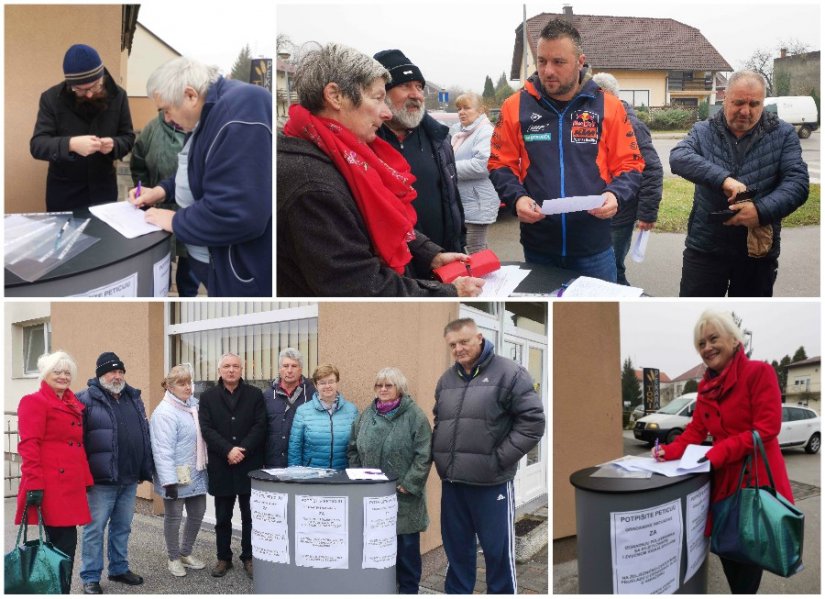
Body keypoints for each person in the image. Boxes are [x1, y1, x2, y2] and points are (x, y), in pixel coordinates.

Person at [278, 42, 484, 297]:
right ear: (335, 96)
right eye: (377, 98)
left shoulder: (345, 156)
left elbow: (385, 222)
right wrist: (447, 293)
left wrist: (430, 255)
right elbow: (359, 284)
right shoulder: (312, 185)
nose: (386, 113)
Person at [488, 19, 644, 282]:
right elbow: (499, 163)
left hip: (594, 247)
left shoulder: (609, 106)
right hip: (539, 245)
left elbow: (631, 164)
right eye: (541, 61)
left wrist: (616, 195)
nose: (548, 70)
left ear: (580, 61)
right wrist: (516, 199)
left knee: (595, 318)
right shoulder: (514, 106)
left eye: (558, 62)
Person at [653, 309, 794, 593]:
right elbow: (694, 432)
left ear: (733, 339)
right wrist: (668, 451)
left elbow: (767, 428)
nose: (707, 348)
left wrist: (719, 451)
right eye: (701, 344)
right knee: (728, 553)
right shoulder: (706, 388)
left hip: (756, 486)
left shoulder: (759, 373)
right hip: (724, 485)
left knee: (749, 563)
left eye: (713, 339)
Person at [127, 57, 272, 297]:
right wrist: (160, 191)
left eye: (166, 110)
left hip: (239, 274)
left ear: (190, 95)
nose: (166, 119)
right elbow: (197, 170)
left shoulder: (239, 114)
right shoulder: (207, 115)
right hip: (218, 264)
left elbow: (239, 213)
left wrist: (174, 221)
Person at [670, 70, 809, 297]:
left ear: (763, 102)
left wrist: (761, 211)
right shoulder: (703, 131)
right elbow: (678, 157)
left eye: (754, 104)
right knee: (697, 315)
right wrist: (724, 179)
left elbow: (798, 182)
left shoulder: (783, 134)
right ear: (725, 98)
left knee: (750, 321)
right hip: (706, 247)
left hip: (757, 252)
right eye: (738, 103)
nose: (746, 111)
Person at [433, 318, 545, 594]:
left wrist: (498, 459)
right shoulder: (447, 379)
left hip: (491, 485)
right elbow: (441, 421)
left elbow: (532, 422)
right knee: (457, 552)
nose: (459, 349)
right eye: (453, 344)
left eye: (464, 341)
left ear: (480, 338)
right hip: (453, 483)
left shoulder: (510, 373)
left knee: (497, 555)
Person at [347, 367, 432, 594]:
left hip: (403, 497)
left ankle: (408, 591)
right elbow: (353, 447)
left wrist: (409, 483)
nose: (383, 389)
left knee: (406, 551)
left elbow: (424, 453)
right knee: (378, 549)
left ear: (399, 388)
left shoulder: (414, 415)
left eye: (388, 385)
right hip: (373, 496)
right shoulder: (367, 414)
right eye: (379, 385)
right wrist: (358, 477)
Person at [374, 49, 465, 255]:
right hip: (397, 263)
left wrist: (459, 243)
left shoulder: (439, 138)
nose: (416, 95)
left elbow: (453, 199)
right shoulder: (366, 143)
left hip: (444, 255)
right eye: (405, 86)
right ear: (381, 94)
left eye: (419, 87)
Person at [15, 351, 94, 591]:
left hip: (69, 484)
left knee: (64, 545)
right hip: (50, 485)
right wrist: (34, 484)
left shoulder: (72, 403)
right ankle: (57, 590)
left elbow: (76, 446)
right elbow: (29, 445)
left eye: (67, 372)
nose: (63, 376)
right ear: (45, 374)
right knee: (62, 544)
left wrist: (85, 477)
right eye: (57, 371)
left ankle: (59, 589)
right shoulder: (34, 402)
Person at [77, 352, 153, 594]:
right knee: (94, 529)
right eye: (112, 371)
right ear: (100, 375)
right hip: (101, 480)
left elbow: (143, 432)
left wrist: (144, 466)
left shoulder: (133, 397)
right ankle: (90, 576)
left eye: (120, 371)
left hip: (129, 477)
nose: (117, 375)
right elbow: (77, 442)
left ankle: (119, 568)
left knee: (122, 527)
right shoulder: (85, 400)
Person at [30, 44, 135, 212]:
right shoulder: (51, 98)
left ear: (102, 77)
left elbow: (128, 137)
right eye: (79, 89)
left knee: (104, 237)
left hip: (103, 192)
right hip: (64, 194)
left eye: (95, 86)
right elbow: (37, 145)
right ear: (70, 84)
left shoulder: (119, 96)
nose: (89, 94)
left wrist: (114, 145)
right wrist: (70, 144)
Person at [591, 72, 664, 286]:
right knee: (597, 271)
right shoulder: (596, 122)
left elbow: (652, 170)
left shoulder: (631, 126)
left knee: (612, 270)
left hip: (619, 215)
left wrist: (647, 214)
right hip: (595, 213)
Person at [197, 353, 266, 579]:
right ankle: (223, 558)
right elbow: (206, 429)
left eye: (235, 366)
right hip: (222, 464)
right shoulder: (207, 397)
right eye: (226, 366)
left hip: (249, 464)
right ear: (219, 370)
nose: (231, 370)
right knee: (223, 517)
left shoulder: (255, 395)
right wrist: (228, 449)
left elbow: (260, 426)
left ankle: (248, 556)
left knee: (249, 516)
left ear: (242, 369)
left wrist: (241, 449)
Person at [129, 112, 200, 296]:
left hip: (192, 215)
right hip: (157, 213)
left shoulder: (202, 131)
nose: (168, 117)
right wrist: (142, 191)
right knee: (160, 268)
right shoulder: (152, 129)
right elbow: (138, 163)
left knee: (190, 274)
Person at [149, 364, 208, 577]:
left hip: (196, 472)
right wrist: (168, 481)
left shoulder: (194, 406)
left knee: (197, 513)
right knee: (173, 517)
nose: (187, 387)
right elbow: (162, 450)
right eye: (182, 383)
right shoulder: (164, 413)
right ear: (170, 387)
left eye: (189, 382)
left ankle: (186, 552)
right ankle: (173, 557)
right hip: (174, 476)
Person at [449, 92, 500, 253]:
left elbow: (483, 165)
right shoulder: (459, 132)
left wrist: (449, 169)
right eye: (459, 108)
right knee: (471, 247)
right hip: (466, 199)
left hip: (478, 200)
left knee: (476, 247)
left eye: (466, 108)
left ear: (480, 110)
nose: (461, 112)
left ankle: (488, 278)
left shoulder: (485, 131)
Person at [288, 364, 358, 470]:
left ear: (337, 382)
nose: (327, 386)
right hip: (312, 475)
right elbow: (295, 447)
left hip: (343, 474)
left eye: (331, 381)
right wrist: (295, 474)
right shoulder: (303, 411)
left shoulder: (352, 410)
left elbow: (357, 446)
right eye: (322, 383)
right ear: (316, 385)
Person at [263, 348, 316, 468]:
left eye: (294, 366)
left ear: (301, 369)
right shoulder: (268, 395)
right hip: (273, 463)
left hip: (303, 463)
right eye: (285, 366)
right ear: (279, 369)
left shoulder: (313, 394)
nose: (290, 370)